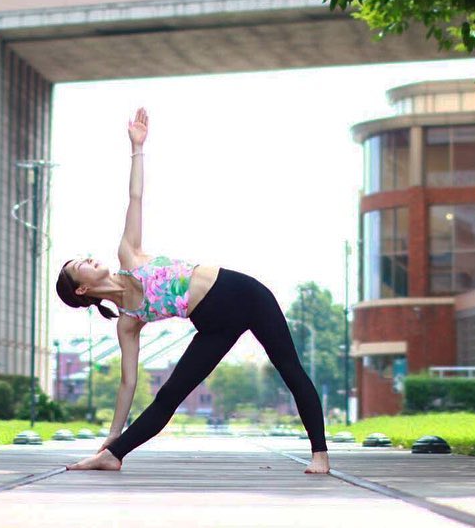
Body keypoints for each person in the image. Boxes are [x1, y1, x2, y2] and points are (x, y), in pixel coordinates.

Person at [56, 107, 330, 474]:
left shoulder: (130, 255)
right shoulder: (127, 322)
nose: (89, 259)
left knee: (290, 369)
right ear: (83, 290)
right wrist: (112, 433)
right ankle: (112, 455)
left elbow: (135, 197)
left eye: (84, 257)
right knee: (169, 394)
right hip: (213, 325)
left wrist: (137, 148)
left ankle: (320, 455)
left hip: (244, 294)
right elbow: (128, 382)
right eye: (81, 265)